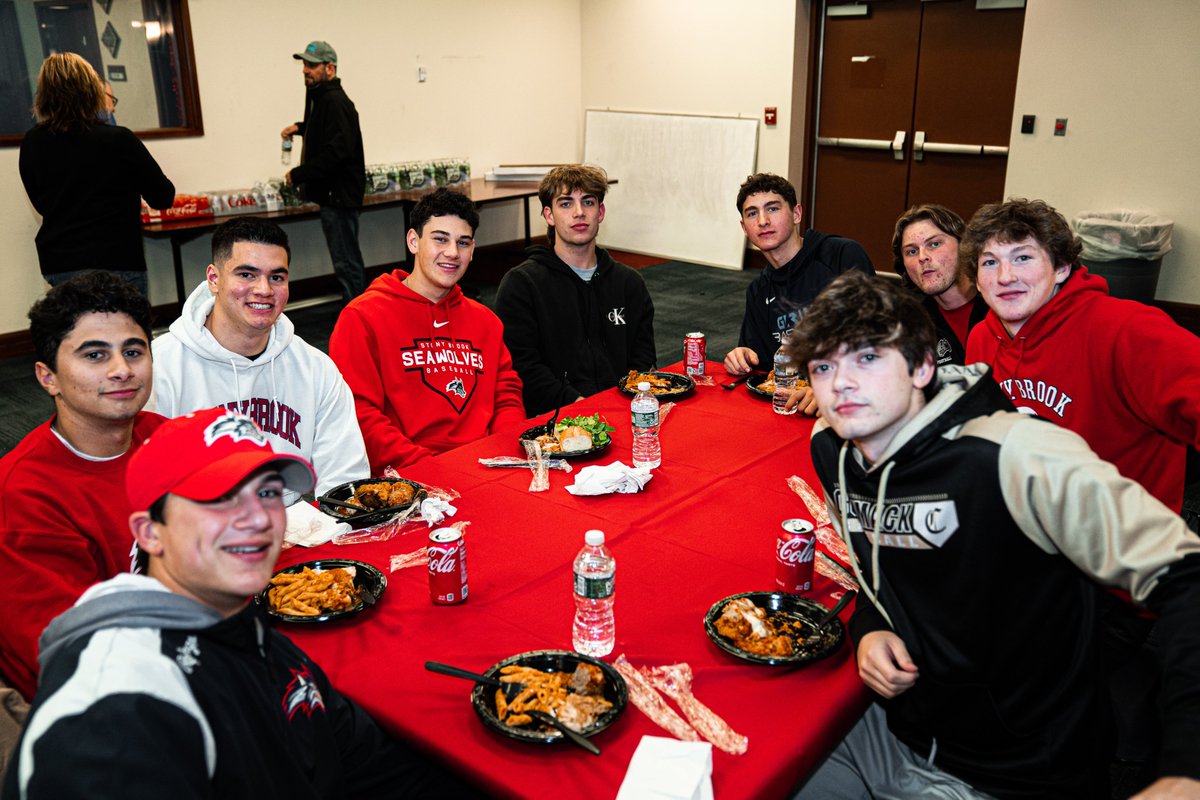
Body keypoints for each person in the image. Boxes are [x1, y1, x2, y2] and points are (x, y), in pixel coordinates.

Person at [789, 272, 1200, 799]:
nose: (840, 383)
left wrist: (1187, 767)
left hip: (1016, 771)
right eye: (823, 366)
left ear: (921, 366)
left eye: (867, 358)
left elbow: (1188, 578)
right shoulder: (836, 451)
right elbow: (879, 570)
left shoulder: (1016, 455)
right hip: (889, 730)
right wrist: (869, 625)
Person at [2, 408, 483, 798]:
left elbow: (371, 767)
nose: (256, 519)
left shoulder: (249, 632)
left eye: (268, 492)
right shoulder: (117, 710)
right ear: (150, 534)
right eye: (219, 498)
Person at [963, 198, 1200, 514]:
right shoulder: (982, 337)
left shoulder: (1128, 330)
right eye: (990, 262)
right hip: (1024, 533)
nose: (1005, 276)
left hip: (1121, 544)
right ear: (977, 281)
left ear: (1061, 268)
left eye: (1022, 258)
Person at [0, 273, 165, 700]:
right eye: (95, 355)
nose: (122, 370)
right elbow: (75, 656)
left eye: (134, 350)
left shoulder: (166, 439)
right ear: (47, 377)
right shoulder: (23, 496)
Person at [149, 216, 369, 500]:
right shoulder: (159, 367)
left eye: (276, 277)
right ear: (214, 279)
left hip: (298, 530)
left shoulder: (316, 368)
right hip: (198, 533)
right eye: (246, 274)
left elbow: (345, 479)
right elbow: (146, 489)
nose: (264, 290)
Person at [329, 188, 525, 471]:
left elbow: (505, 393)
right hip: (409, 475)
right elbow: (359, 413)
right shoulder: (362, 317)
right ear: (413, 241)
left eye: (463, 243)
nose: (452, 253)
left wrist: (505, 449)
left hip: (487, 464)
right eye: (440, 239)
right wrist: (428, 468)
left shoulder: (486, 321)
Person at [494, 164, 656, 416]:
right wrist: (579, 404)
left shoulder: (629, 283)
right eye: (566, 204)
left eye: (588, 202)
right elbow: (523, 366)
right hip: (556, 416)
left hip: (623, 408)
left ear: (600, 212)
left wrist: (624, 402)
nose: (579, 213)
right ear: (549, 215)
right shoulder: (522, 285)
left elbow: (643, 357)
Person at [19, 53, 174, 296]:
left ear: (44, 95)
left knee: (73, 332)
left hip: (60, 262)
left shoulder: (32, 142)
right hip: (117, 260)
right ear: (92, 91)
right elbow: (163, 197)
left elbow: (41, 204)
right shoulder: (119, 139)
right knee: (127, 332)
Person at [723, 173, 873, 415]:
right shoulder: (758, 290)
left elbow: (876, 340)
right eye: (752, 213)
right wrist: (740, 357)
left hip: (851, 399)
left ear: (796, 214)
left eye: (772, 209)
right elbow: (761, 366)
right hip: (791, 404)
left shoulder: (841, 257)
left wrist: (830, 388)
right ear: (744, 228)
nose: (762, 221)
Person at [281, 40, 367, 305]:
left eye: (312, 65)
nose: (305, 70)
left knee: (347, 262)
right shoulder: (321, 97)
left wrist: (300, 173)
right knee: (344, 259)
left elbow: (337, 151)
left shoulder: (336, 102)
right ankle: (357, 313)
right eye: (304, 64)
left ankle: (360, 318)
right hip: (333, 195)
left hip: (339, 196)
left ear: (330, 68)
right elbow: (325, 132)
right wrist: (301, 127)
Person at [891, 204, 988, 366]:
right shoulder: (910, 326)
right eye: (912, 251)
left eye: (934, 244)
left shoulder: (1002, 306)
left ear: (964, 246)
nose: (922, 257)